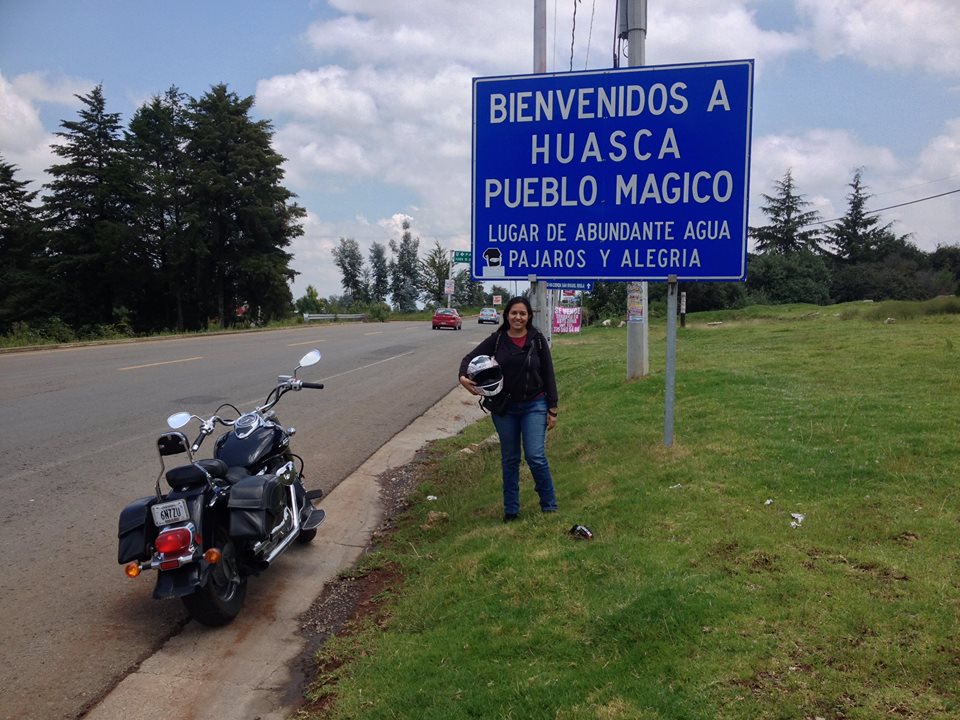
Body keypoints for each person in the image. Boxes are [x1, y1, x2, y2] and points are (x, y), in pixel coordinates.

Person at [459, 296, 559, 521]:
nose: (518, 317)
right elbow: (468, 359)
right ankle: (511, 511)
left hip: (535, 405)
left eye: (523, 313)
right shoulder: (497, 340)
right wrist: (463, 378)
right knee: (510, 459)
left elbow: (549, 374)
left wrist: (552, 408)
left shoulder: (537, 339)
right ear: (506, 315)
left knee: (535, 456)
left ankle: (549, 505)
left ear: (529, 316)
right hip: (505, 409)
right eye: (514, 313)